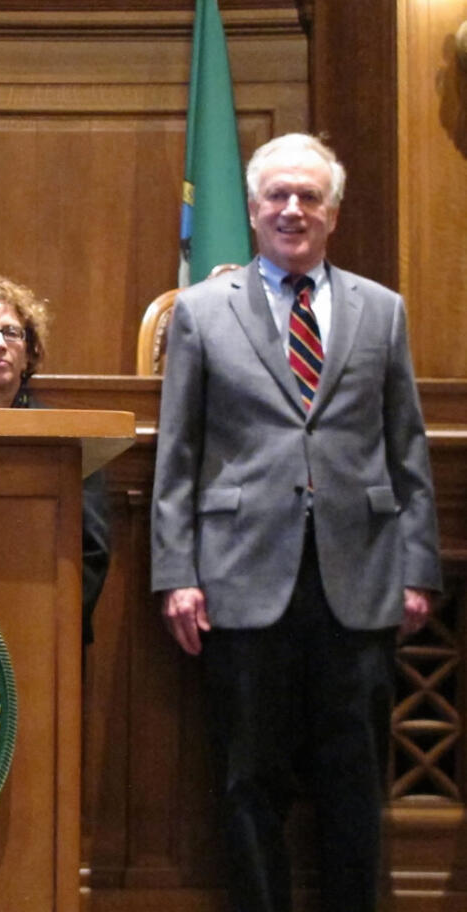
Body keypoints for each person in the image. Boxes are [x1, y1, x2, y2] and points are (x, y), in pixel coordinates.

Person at [150, 133, 441, 911]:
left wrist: (419, 568)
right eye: (277, 195)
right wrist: (176, 574)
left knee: (354, 779)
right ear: (251, 209)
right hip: (240, 578)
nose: (291, 209)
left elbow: (406, 446)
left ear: (333, 213)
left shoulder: (382, 310)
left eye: (309, 196)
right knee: (249, 779)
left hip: (361, 577)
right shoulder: (204, 312)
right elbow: (177, 454)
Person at [0, 274, 111, 643]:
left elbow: (91, 550)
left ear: (30, 352)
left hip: (46, 628)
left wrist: (49, 616)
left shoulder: (63, 439)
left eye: (11, 333)